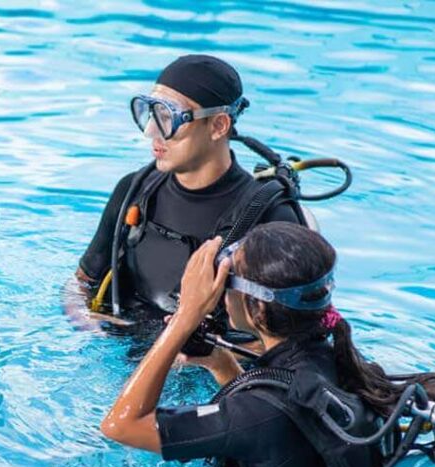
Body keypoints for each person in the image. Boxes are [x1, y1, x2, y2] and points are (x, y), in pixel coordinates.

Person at [100, 221, 435, 467]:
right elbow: (280, 428)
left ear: (258, 309)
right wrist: (223, 367)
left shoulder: (252, 415)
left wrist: (185, 318)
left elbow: (121, 425)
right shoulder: (342, 366)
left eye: (228, 283)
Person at [76, 55, 305, 319]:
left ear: (219, 125)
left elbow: (286, 339)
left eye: (167, 116)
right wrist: (86, 327)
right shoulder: (134, 190)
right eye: (149, 112)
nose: (151, 131)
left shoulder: (270, 220)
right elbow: (81, 284)